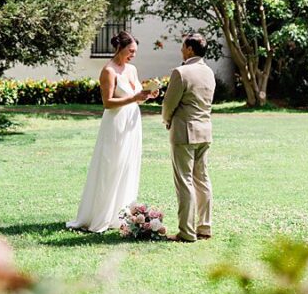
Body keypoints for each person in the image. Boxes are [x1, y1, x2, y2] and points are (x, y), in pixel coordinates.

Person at [67, 30, 157, 232]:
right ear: (120, 48)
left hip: (132, 124)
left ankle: (122, 214)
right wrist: (134, 99)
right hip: (115, 124)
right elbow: (108, 102)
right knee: (111, 167)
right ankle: (102, 215)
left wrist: (146, 95)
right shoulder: (108, 71)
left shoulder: (132, 69)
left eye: (135, 52)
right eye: (130, 51)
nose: (133, 55)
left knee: (128, 166)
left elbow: (135, 95)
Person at [162, 32, 215, 242]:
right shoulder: (209, 72)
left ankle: (186, 231)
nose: (181, 49)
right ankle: (205, 227)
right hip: (205, 131)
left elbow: (169, 103)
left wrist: (167, 121)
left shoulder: (181, 72)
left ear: (190, 49)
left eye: (183, 46)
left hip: (184, 132)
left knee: (184, 182)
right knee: (202, 180)